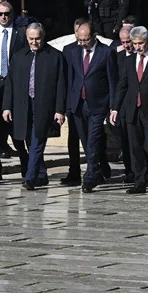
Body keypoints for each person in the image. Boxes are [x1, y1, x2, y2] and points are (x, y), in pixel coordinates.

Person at [2, 23, 67, 188]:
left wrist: (60, 110)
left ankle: (30, 177)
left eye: (37, 38)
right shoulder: (18, 56)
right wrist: (7, 106)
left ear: (43, 37)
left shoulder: (55, 56)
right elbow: (10, 83)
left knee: (38, 139)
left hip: (44, 106)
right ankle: (41, 174)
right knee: (29, 142)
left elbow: (61, 85)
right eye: (31, 39)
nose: (34, 42)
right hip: (23, 105)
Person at [110, 26, 148, 193]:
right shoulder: (129, 60)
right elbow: (122, 85)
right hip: (133, 110)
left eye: (141, 43)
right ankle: (140, 181)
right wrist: (115, 108)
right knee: (135, 147)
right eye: (135, 43)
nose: (138, 47)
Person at [64, 18, 117, 192]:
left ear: (94, 36)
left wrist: (112, 105)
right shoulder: (74, 52)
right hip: (79, 103)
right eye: (80, 39)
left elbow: (111, 80)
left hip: (98, 103)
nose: (83, 43)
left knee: (94, 140)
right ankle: (98, 169)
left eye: (86, 39)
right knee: (86, 141)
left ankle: (89, 178)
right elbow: (72, 78)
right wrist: (68, 104)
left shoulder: (106, 52)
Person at [0, 0, 28, 180]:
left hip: (15, 84)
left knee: (15, 127)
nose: (3, 17)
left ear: (12, 15)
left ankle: (25, 163)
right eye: (0, 14)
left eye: (6, 14)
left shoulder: (21, 35)